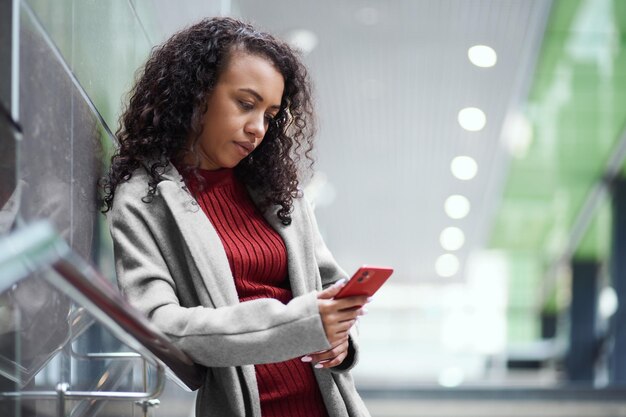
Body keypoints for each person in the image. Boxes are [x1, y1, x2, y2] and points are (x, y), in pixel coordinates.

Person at [101, 16, 372, 417]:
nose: (258, 128)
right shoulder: (144, 199)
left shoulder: (277, 191)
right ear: (195, 94)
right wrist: (296, 324)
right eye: (245, 104)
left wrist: (342, 340)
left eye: (270, 114)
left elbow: (329, 283)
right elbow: (159, 324)